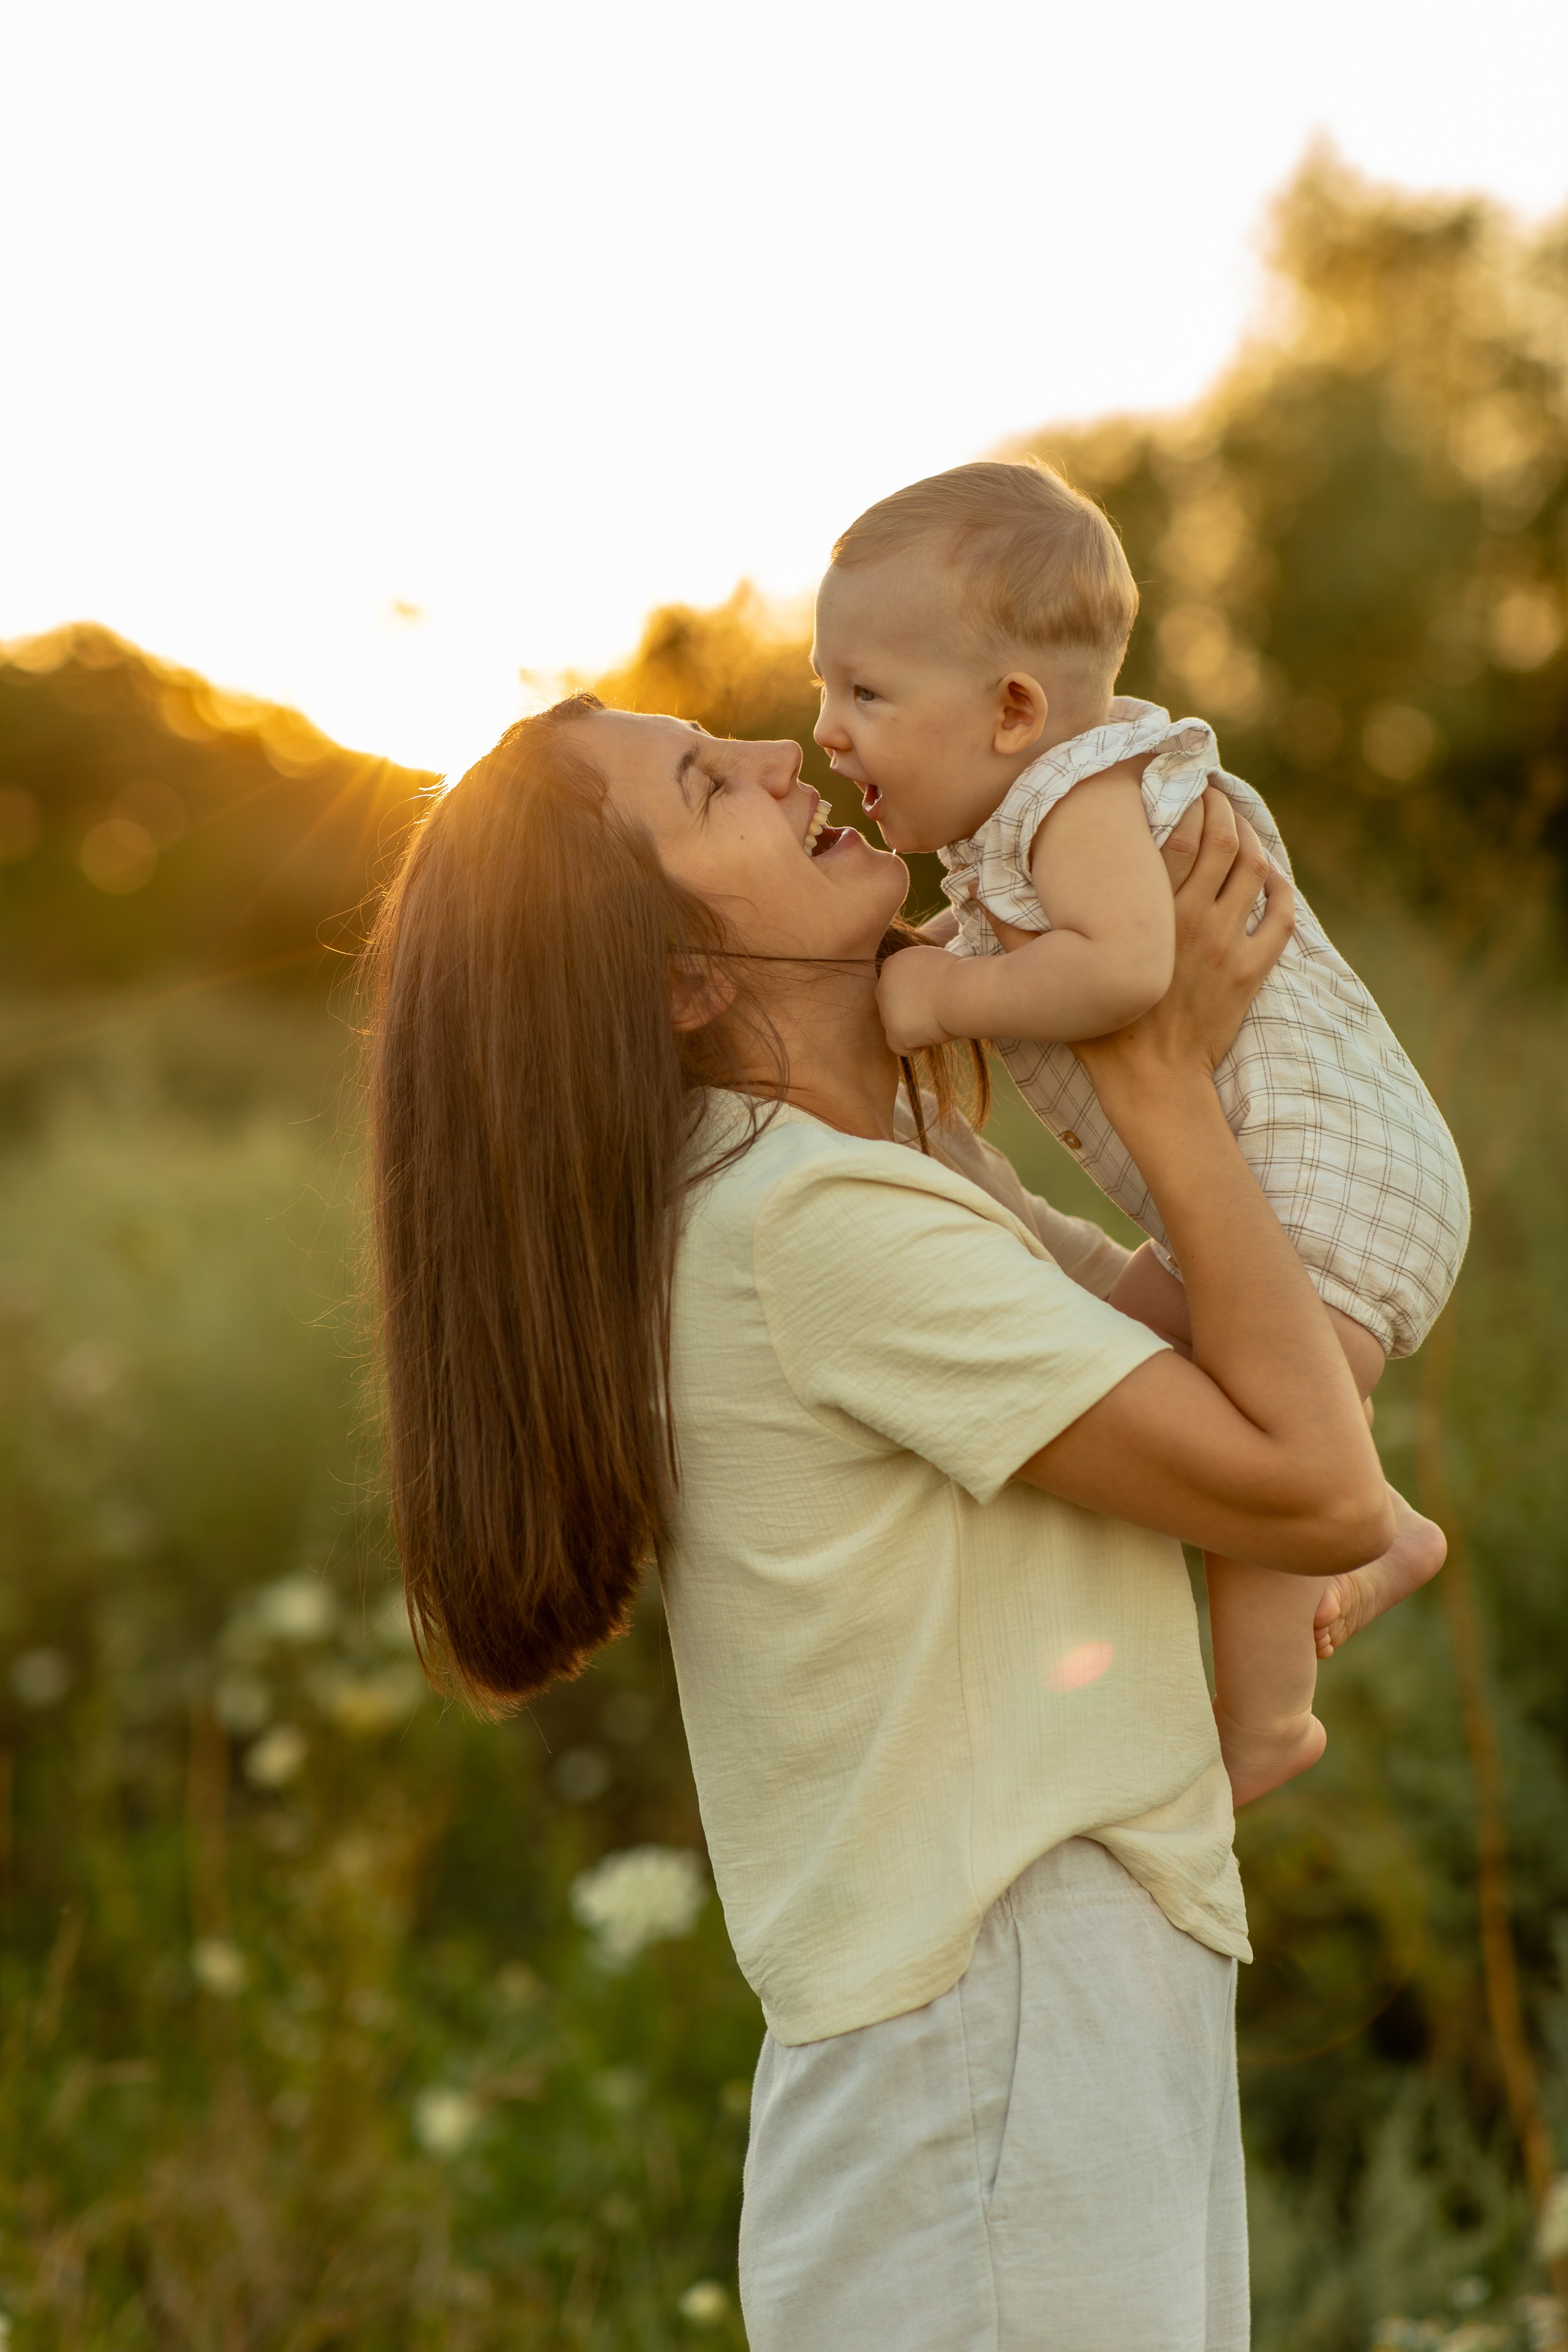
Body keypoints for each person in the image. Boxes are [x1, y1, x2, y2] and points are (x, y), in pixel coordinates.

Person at [367, 694, 1401, 2346]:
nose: (785, 757)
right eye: (711, 784)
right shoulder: (809, 1224)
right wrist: (1162, 1079)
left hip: (1036, 2019)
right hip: (990, 2039)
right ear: (682, 976)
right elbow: (1317, 1488)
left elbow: (1204, 1344)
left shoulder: (884, 1170)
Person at [813, 459, 1461, 1803]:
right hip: (1286, 1176)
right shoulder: (1026, 823)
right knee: (1147, 1367)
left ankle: (1265, 1721)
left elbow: (1118, 974)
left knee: (1249, 1445)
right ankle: (1384, 1532)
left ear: (1010, 710)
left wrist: (942, 991)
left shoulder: (1076, 802)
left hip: (1325, 1181)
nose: (826, 729)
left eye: (863, 693)